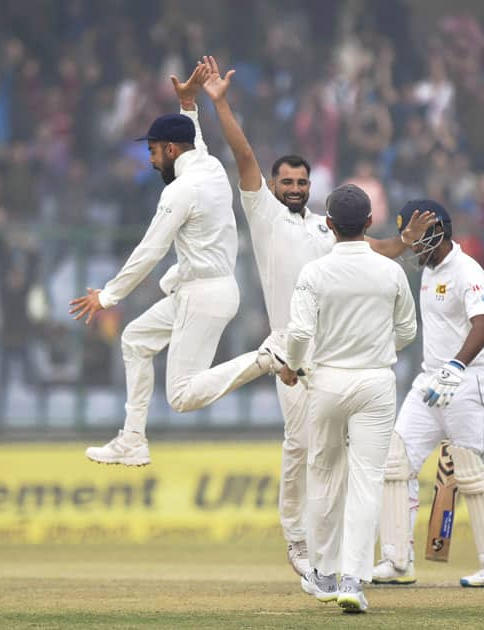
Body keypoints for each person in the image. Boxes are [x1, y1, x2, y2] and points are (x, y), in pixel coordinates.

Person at [199, 55, 435, 577]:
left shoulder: (326, 228)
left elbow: (372, 250)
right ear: (275, 184)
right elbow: (242, 155)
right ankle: (301, 545)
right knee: (303, 451)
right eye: (287, 181)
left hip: (335, 359)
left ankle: (332, 555)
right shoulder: (262, 214)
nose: (295, 188)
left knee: (334, 461)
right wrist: (219, 103)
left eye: (302, 182)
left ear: (313, 188)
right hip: (290, 351)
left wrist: (407, 243)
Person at [69, 66, 281, 465]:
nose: (151, 161)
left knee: (181, 396)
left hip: (204, 295)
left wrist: (109, 295)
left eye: (153, 151)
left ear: (170, 150)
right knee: (135, 340)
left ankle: (266, 358)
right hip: (201, 288)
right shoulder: (210, 165)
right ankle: (132, 439)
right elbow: (195, 138)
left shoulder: (180, 192)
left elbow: (149, 251)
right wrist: (189, 104)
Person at [279, 184, 417, 612]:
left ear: (330, 225)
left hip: (327, 382)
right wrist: (377, 351)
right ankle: (353, 580)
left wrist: (294, 366)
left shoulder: (315, 272)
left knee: (323, 475)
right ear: (370, 223)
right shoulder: (390, 271)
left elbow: (300, 333)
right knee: (366, 481)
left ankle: (322, 573)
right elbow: (408, 330)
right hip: (376, 382)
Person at [372, 199, 484, 588]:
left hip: (467, 382)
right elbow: (372, 248)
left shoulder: (468, 271)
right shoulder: (428, 267)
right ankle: (398, 561)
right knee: (395, 462)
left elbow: (483, 325)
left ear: (436, 229)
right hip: (428, 382)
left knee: (476, 473)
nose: (414, 247)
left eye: (418, 238)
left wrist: (455, 368)